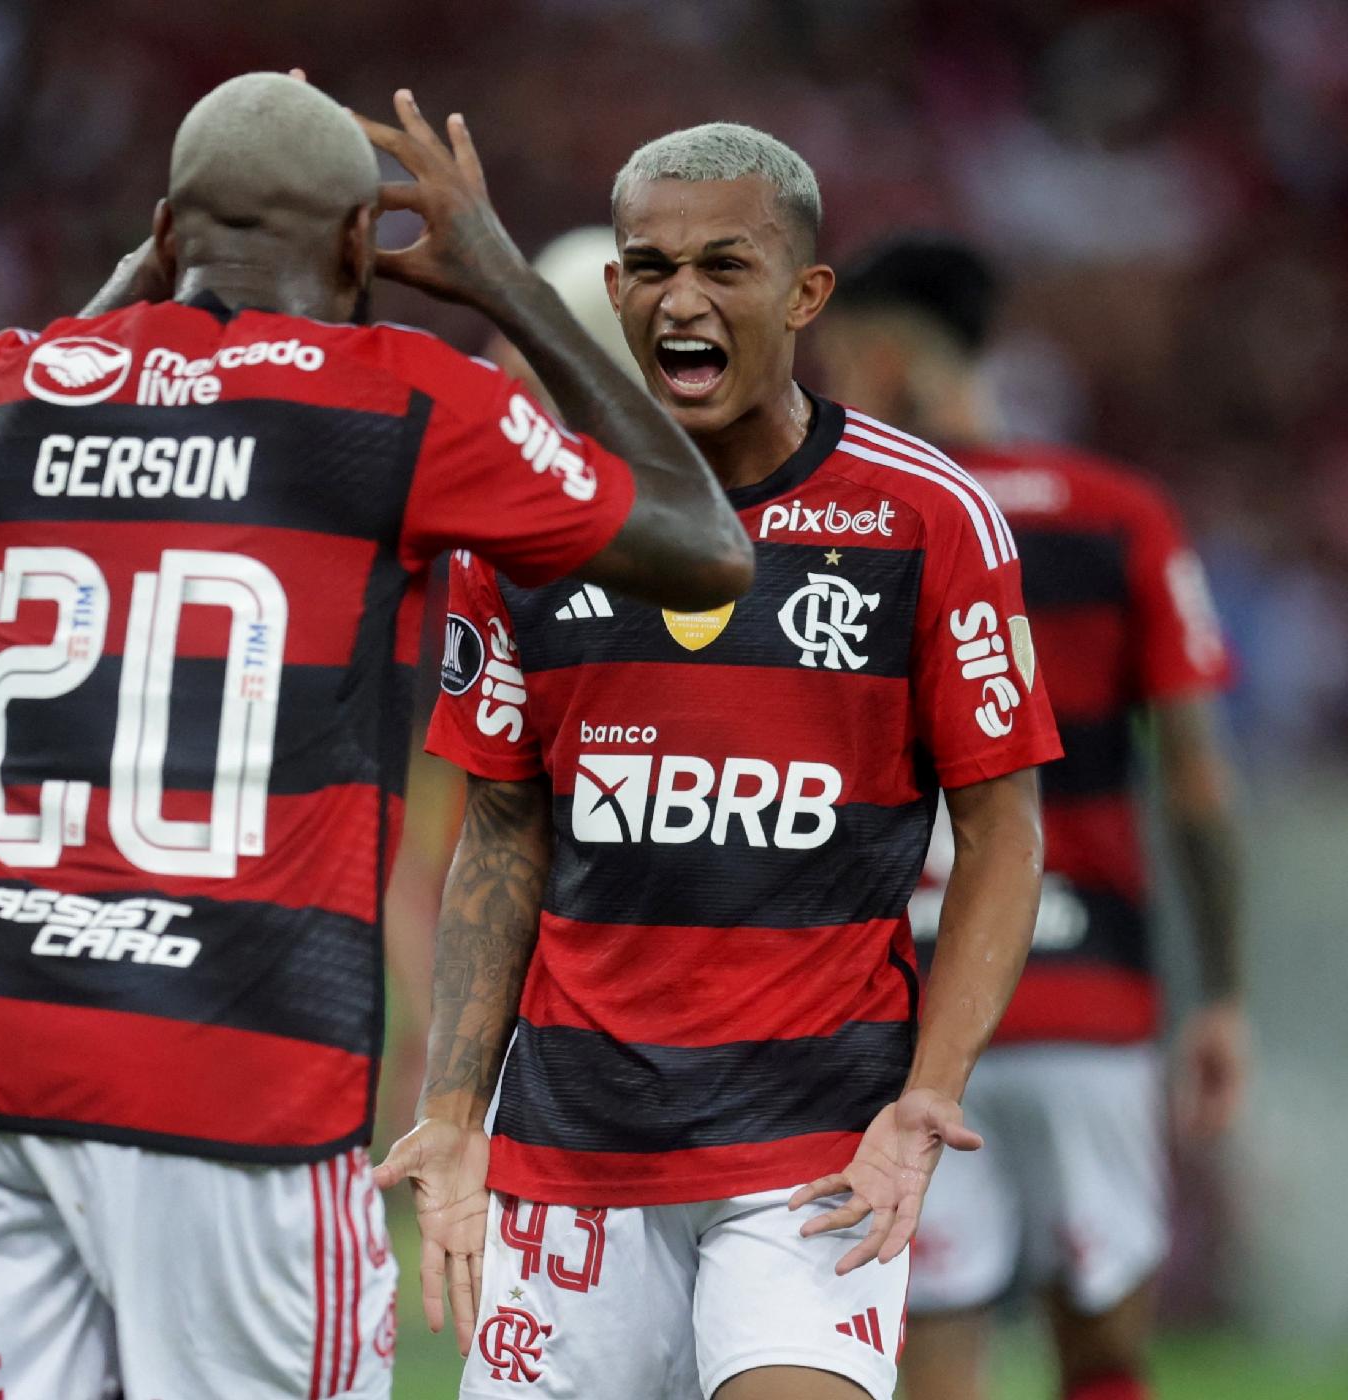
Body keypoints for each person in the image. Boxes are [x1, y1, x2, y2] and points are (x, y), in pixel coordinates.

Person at [0, 74, 753, 1400]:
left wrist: (132, 299)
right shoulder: (396, 398)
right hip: (239, 1072)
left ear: (167, 230)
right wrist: (509, 286)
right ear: (355, 245)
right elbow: (706, 548)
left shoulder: (2, 388)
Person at [379, 123, 1062, 1400]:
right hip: (575, 1141)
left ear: (806, 294)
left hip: (816, 1141)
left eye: (723, 266)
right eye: (649, 267)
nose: (680, 298)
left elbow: (1003, 828)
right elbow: (503, 830)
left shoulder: (927, 515)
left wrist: (930, 1090)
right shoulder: (529, 528)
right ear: (616, 288)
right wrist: (455, 1105)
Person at [815, 234, 1245, 1400]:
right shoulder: (1120, 514)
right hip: (1090, 1003)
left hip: (906, 1010)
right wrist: (1221, 992)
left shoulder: (846, 521)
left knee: (932, 1355)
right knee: (1104, 1355)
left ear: (888, 354)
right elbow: (1199, 783)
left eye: (842, 357)